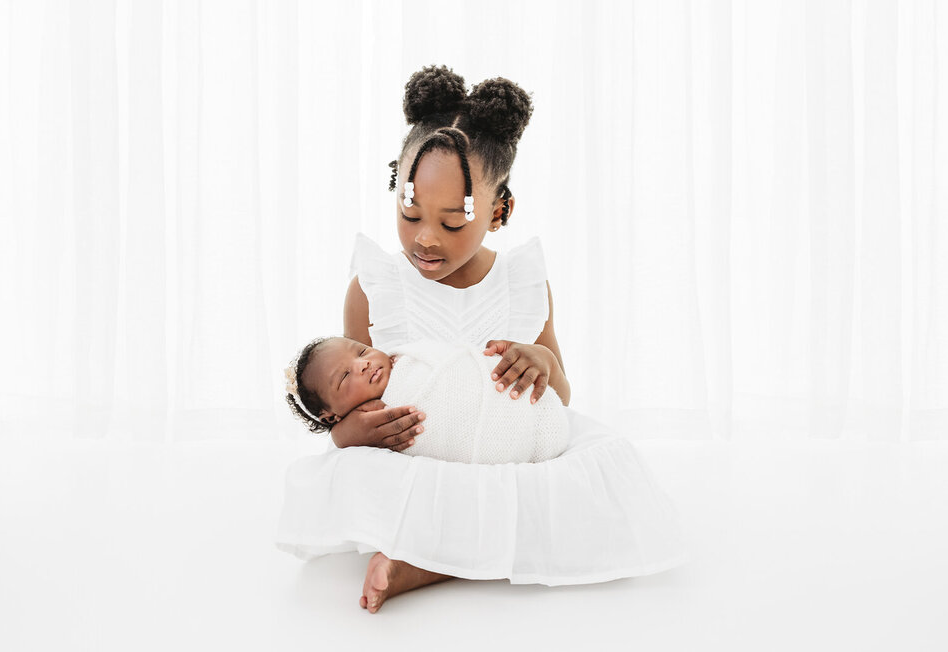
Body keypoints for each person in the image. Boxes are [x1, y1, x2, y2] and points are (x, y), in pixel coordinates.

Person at [276, 65, 686, 614]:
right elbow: (360, 393)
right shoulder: (376, 288)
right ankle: (470, 545)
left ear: (499, 211)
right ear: (396, 183)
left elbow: (561, 395)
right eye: (410, 210)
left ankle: (426, 562)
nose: (424, 237)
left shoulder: (521, 285)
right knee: (349, 473)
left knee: (595, 470)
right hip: (424, 458)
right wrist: (348, 433)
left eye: (451, 223)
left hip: (508, 451)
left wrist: (539, 360)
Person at [283, 336, 569, 463]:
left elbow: (456, 372)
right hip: (483, 440)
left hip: (512, 393)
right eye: (345, 377)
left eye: (361, 351)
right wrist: (343, 436)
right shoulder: (375, 423)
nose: (363, 365)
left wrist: (545, 358)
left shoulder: (408, 357)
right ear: (332, 416)